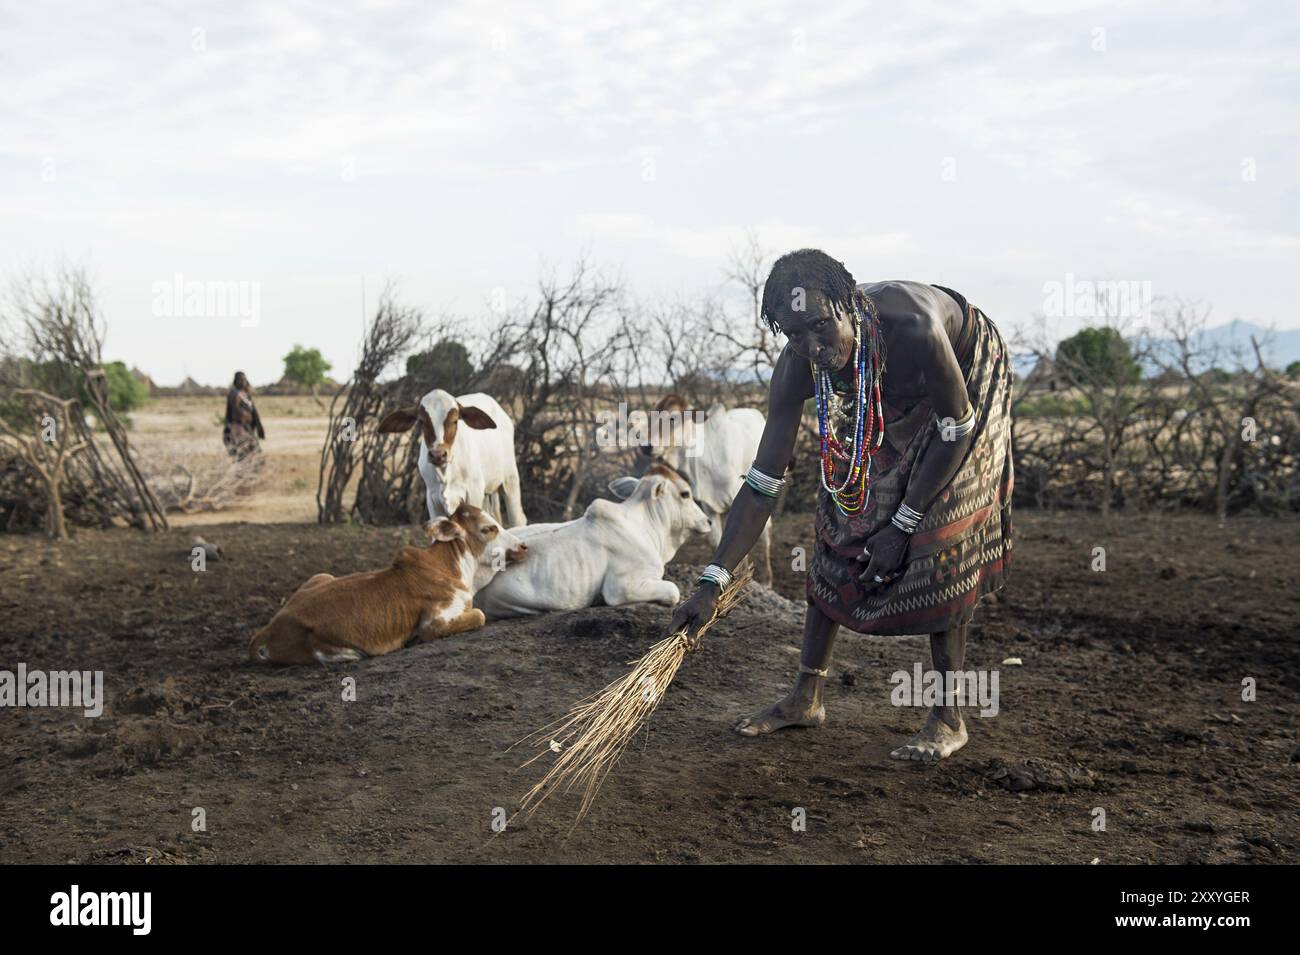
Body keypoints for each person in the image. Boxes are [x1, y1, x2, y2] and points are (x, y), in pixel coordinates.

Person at [669, 249, 1013, 761]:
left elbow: (955, 429)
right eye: (793, 335)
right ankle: (806, 696)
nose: (811, 346)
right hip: (879, 386)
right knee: (841, 510)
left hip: (961, 384)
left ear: (849, 304)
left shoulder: (912, 325)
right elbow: (764, 480)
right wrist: (712, 580)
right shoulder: (800, 366)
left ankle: (948, 715)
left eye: (819, 326)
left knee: (941, 530)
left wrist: (904, 521)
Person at [223, 371, 265, 460]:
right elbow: (235, 410)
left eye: (244, 380)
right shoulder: (234, 394)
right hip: (238, 430)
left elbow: (254, 412)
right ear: (235, 381)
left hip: (246, 429)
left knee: (255, 456)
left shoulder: (245, 395)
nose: (242, 382)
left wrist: (259, 427)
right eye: (240, 380)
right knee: (243, 457)